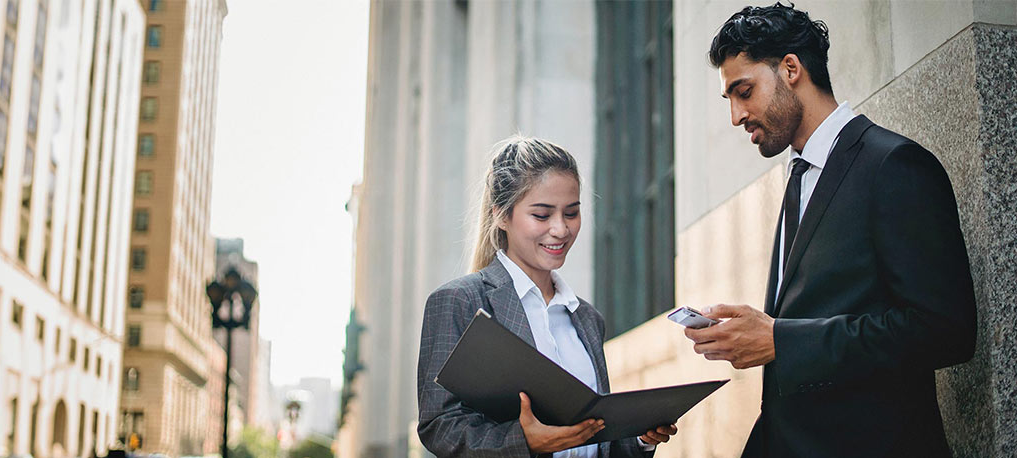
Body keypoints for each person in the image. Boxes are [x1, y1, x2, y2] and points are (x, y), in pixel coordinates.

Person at [682, 3, 977, 457]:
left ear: (792, 69)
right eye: (730, 100)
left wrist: (780, 339)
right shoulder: (800, 175)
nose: (736, 116)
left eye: (744, 92)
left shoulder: (893, 165)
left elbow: (945, 330)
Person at [417, 136, 678, 457]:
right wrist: (524, 441)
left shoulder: (587, 318)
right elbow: (439, 426)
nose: (561, 229)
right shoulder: (460, 300)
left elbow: (596, 438)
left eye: (571, 213)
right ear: (501, 215)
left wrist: (639, 438)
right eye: (541, 215)